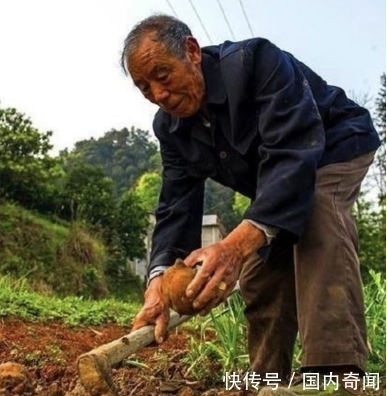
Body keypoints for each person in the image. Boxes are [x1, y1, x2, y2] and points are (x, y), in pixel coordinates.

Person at [121, 14, 381, 396]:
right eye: (144, 87)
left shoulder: (256, 62)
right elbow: (177, 205)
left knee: (317, 214)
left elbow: (294, 154)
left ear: (192, 52)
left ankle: (337, 377)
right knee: (260, 271)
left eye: (162, 75)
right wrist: (158, 283)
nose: (158, 94)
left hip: (333, 144)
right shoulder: (171, 127)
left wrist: (233, 246)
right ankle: (264, 381)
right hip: (278, 181)